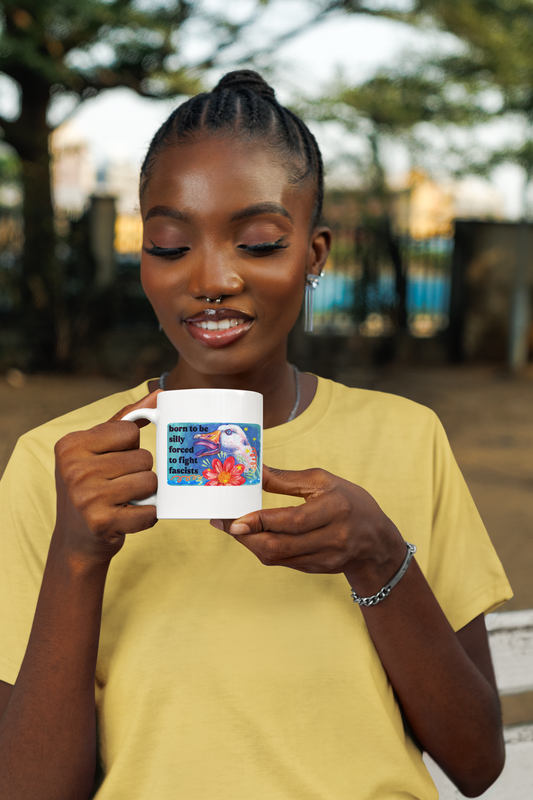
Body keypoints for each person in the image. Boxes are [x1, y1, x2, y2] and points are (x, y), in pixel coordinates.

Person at [0, 70, 512, 800]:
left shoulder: (408, 438)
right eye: (171, 245)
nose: (211, 278)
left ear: (314, 254)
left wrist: (376, 558)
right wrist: (77, 558)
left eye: (260, 242)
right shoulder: (58, 468)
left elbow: (477, 761)